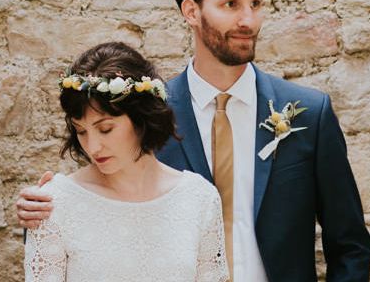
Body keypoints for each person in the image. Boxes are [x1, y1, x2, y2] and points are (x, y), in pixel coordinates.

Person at [19, 0, 370, 282]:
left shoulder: (310, 113)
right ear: (191, 11)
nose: (248, 20)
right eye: (231, 5)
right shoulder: (146, 114)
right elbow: (98, 213)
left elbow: (350, 246)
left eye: (257, 3)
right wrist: (41, 210)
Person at [23, 40, 228, 282]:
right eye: (81, 131)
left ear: (142, 118)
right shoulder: (56, 203)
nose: (92, 146)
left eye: (106, 129)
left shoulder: (199, 198)